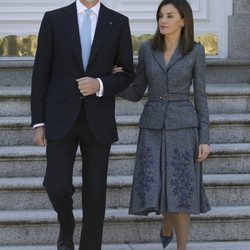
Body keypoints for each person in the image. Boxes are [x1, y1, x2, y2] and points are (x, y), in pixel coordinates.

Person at [30, 0, 134, 249]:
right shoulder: (54, 19)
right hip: (59, 117)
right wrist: (38, 121)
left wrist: (99, 84)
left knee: (95, 193)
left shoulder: (118, 22)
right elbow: (41, 71)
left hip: (98, 119)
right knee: (56, 184)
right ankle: (66, 227)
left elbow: (127, 74)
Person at [116, 0, 211, 249]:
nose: (163, 20)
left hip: (184, 128)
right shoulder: (148, 49)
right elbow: (137, 90)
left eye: (170, 16)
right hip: (152, 127)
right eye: (160, 15)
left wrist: (205, 138)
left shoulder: (196, 52)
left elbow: (200, 97)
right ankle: (166, 225)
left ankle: (181, 247)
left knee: (181, 189)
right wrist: (114, 83)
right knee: (158, 185)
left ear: (184, 20)